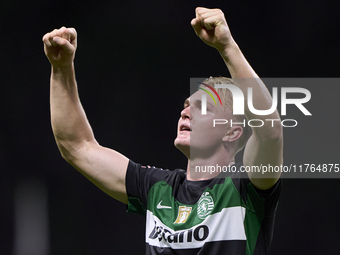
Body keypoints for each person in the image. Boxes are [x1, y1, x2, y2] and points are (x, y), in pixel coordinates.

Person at [43, 7, 283, 255]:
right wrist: (61, 68)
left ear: (232, 132)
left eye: (204, 108)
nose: (185, 112)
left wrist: (227, 47)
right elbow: (76, 146)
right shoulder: (158, 188)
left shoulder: (246, 188)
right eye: (187, 105)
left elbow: (270, 131)